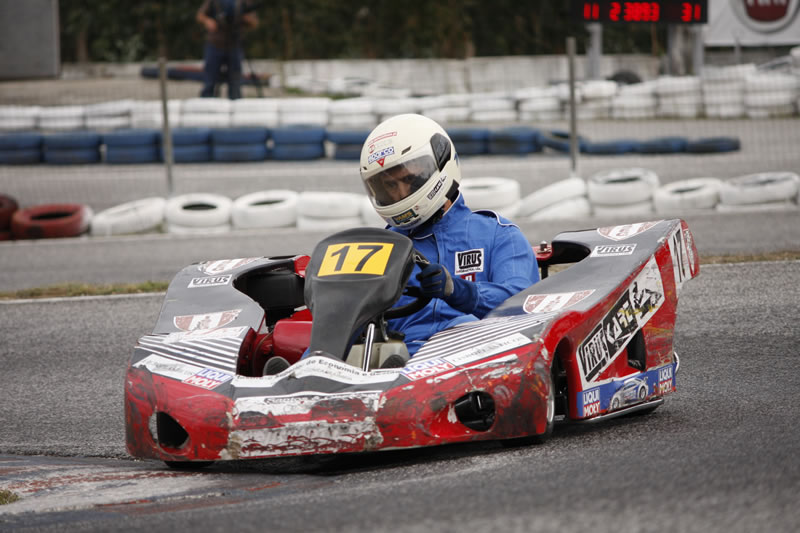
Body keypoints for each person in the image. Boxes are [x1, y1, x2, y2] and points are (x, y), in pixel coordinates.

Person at [359, 113, 540, 358]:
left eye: (409, 179)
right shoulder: (381, 251)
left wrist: (460, 291)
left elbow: (522, 306)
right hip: (402, 362)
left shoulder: (498, 235)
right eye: (389, 185)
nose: (400, 193)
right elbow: (345, 327)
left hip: (478, 356)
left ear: (441, 165)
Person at [196, 0, 259, 100]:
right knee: (210, 80)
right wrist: (208, 21)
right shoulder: (214, 2)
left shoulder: (243, 3)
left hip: (235, 44)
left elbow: (254, 22)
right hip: (215, 43)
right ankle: (206, 102)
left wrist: (246, 19)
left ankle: (235, 102)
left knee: (235, 81)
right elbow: (200, 15)